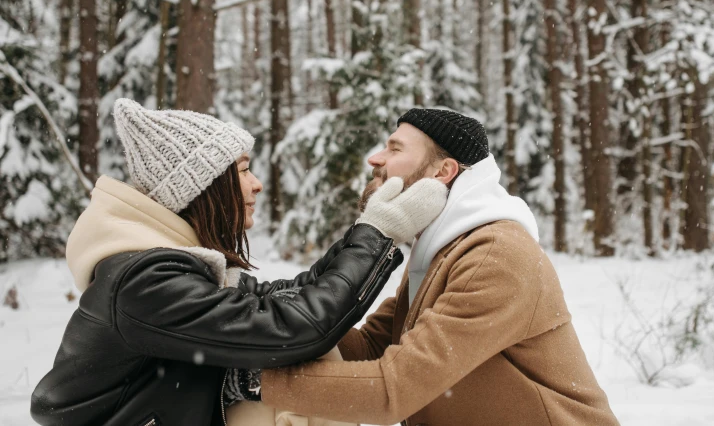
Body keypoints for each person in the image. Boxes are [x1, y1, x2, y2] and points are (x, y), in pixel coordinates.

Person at [30, 99, 447, 426]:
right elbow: (295, 330)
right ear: (203, 188)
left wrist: (370, 231)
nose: (257, 183)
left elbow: (292, 298)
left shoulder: (170, 268)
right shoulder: (145, 283)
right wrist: (379, 234)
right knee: (312, 368)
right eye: (244, 170)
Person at [228, 108, 621, 426]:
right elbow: (366, 348)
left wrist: (254, 380)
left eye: (395, 149)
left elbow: (394, 391)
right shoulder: (442, 251)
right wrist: (250, 311)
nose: (375, 159)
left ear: (442, 172)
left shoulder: (494, 254)